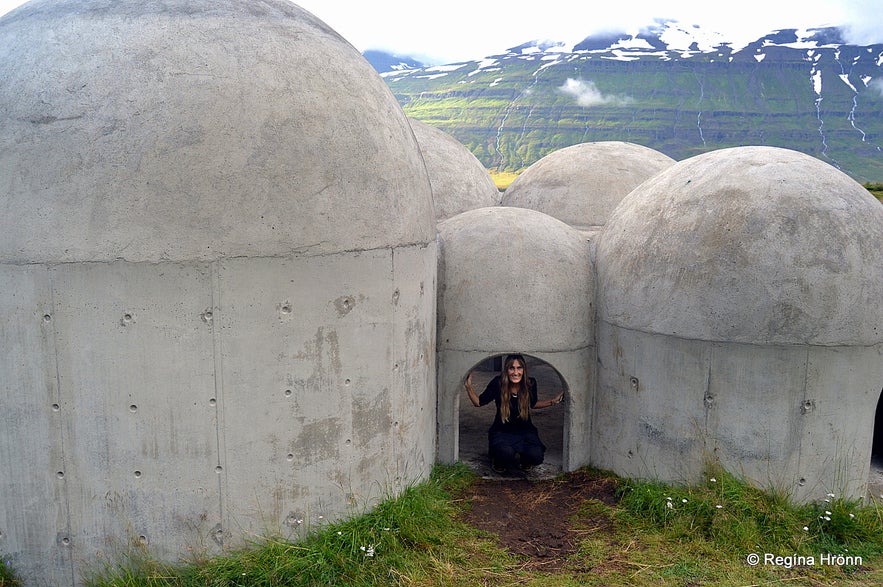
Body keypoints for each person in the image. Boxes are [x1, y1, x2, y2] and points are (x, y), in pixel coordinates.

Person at [464, 354, 565, 475]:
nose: (515, 372)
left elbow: (533, 404)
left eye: (519, 368)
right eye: (512, 368)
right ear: (506, 370)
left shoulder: (530, 383)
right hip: (502, 431)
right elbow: (479, 402)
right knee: (505, 454)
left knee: (536, 456)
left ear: (524, 370)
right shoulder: (498, 383)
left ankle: (525, 460)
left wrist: (553, 401)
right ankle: (498, 461)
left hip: (525, 431)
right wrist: (468, 387)